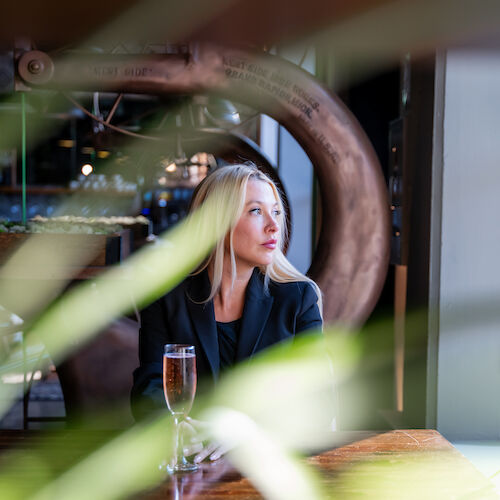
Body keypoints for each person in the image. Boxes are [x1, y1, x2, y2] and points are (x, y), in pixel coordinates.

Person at [131, 164, 323, 423]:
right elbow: (149, 390)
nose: (274, 226)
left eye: (276, 212)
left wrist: (237, 437)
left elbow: (313, 399)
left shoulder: (299, 299)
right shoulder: (165, 297)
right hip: (190, 453)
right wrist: (178, 431)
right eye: (256, 211)